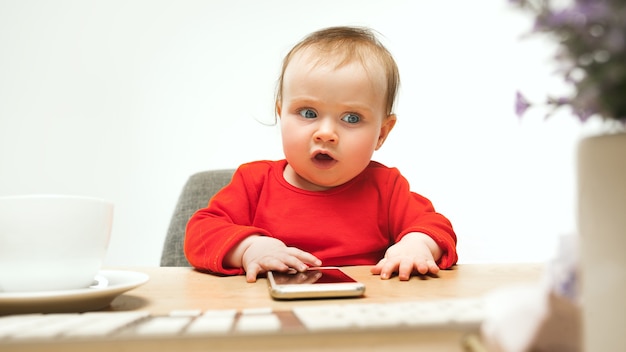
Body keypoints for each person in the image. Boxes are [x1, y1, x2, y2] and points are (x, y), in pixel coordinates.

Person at [185, 26, 457, 283]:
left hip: (362, 315)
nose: (326, 133)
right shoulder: (253, 182)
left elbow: (436, 227)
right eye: (308, 113)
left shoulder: (387, 188)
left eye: (351, 118)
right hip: (271, 314)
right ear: (282, 115)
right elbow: (200, 234)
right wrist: (248, 248)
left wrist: (417, 244)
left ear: (382, 134)